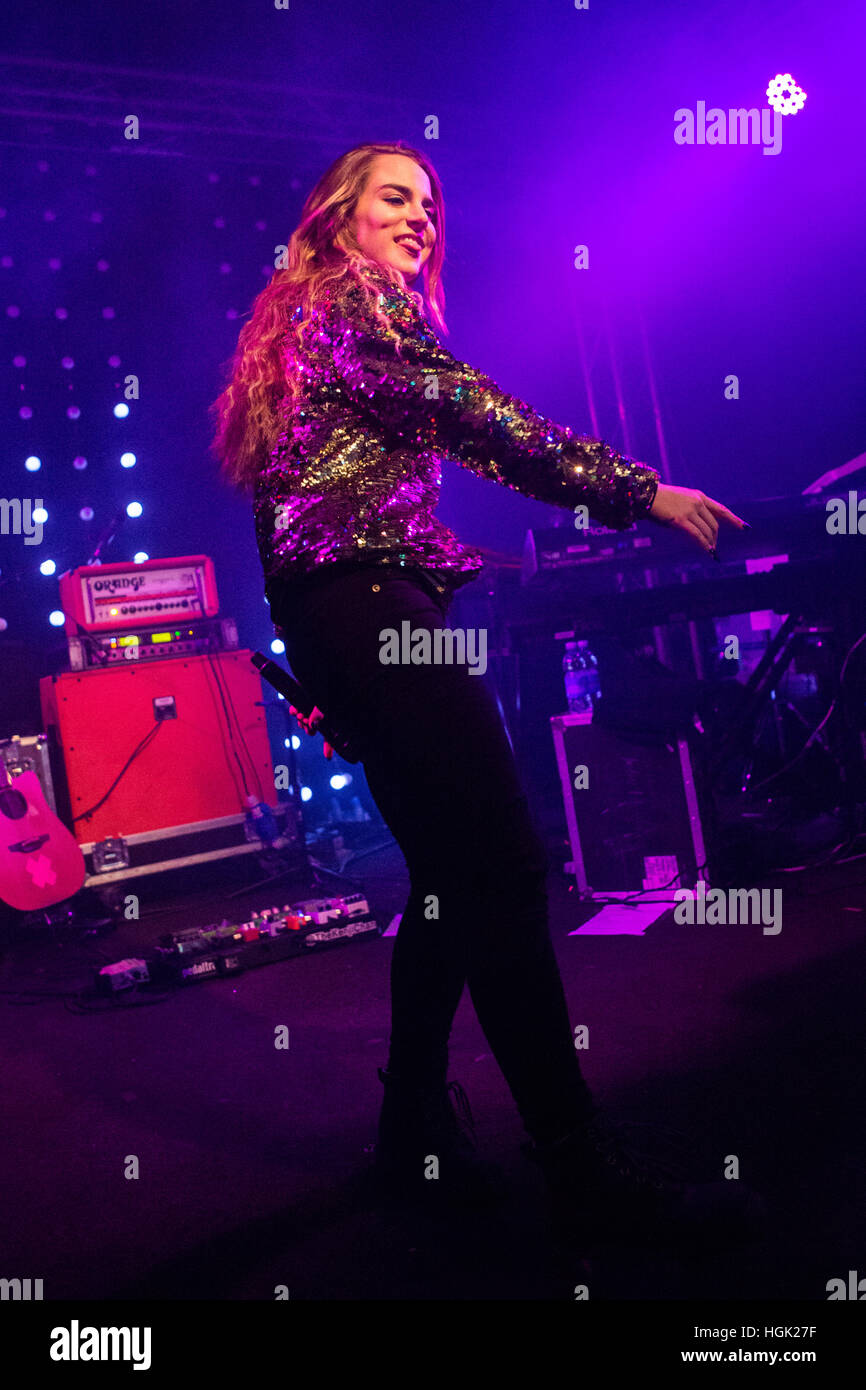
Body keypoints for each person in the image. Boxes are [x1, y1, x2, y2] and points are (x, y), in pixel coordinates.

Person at [211, 141, 759, 1246]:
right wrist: (634, 489)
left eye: (428, 203)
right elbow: (479, 417)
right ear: (338, 220)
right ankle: (576, 1163)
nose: (418, 218)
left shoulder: (308, 322)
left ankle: (410, 1136)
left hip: (341, 612)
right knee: (502, 865)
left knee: (449, 881)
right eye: (392, 199)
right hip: (362, 608)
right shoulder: (348, 302)